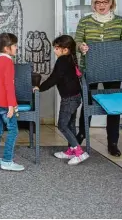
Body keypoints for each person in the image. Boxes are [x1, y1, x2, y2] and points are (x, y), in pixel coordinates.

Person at [75, 0, 122, 157]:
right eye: (98, 2)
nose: (101, 5)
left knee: (113, 105)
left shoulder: (120, 22)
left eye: (105, 2)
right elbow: (78, 41)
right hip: (90, 68)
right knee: (87, 103)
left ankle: (113, 142)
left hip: (113, 70)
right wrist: (81, 47)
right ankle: (81, 135)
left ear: (111, 3)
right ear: (93, 4)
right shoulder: (85, 21)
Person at [34, 35, 89, 165]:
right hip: (75, 98)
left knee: (63, 125)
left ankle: (79, 152)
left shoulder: (63, 60)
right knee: (70, 124)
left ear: (65, 49)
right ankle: (71, 150)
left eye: (57, 48)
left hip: (69, 99)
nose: (54, 51)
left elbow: (54, 78)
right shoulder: (70, 59)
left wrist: (39, 88)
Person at [0, 33, 24, 171]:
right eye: (15, 46)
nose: (16, 48)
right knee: (13, 130)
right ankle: (7, 160)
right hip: (4, 103)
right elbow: (9, 85)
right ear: (7, 48)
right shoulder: (8, 62)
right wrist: (12, 106)